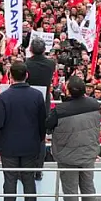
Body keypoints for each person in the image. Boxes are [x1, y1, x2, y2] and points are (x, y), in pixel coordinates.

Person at [0, 62, 47, 201]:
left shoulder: (5, 96)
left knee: (10, 181)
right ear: (27, 75)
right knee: (29, 179)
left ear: (10, 76)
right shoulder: (37, 95)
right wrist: (38, 140)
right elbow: (42, 123)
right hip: (30, 145)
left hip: (9, 146)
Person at [47, 75, 101, 201]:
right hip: (88, 153)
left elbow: (48, 126)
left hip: (67, 156)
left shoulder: (60, 110)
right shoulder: (95, 104)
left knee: (70, 189)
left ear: (68, 91)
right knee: (88, 184)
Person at [25, 37, 56, 179]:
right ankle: (38, 170)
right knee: (41, 137)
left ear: (31, 50)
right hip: (44, 102)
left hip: (28, 101)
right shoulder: (51, 64)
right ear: (44, 50)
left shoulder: (26, 64)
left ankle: (26, 170)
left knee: (25, 135)